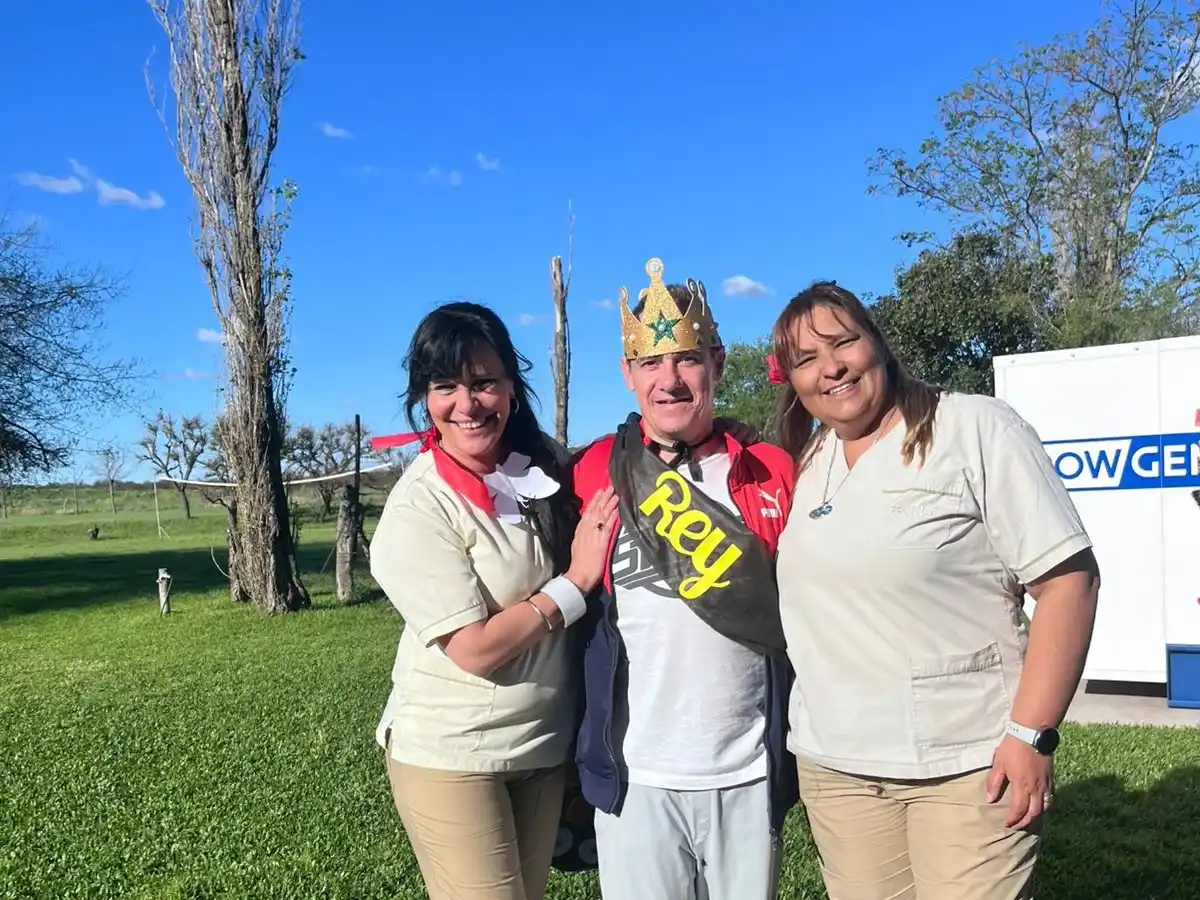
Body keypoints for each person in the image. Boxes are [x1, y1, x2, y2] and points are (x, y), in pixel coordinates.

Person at [768, 280, 1101, 900]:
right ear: (792, 380)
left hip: (968, 764)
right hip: (838, 771)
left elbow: (1068, 582)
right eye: (806, 359)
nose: (831, 367)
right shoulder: (809, 461)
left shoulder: (973, 427)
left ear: (877, 343)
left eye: (844, 342)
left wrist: (1032, 734)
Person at [369, 301, 620, 900]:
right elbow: (474, 650)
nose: (468, 403)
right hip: (453, 755)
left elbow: (627, 464)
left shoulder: (541, 462)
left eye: (484, 382)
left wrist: (716, 438)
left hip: (542, 748)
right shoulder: (420, 506)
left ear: (511, 386)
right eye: (446, 387)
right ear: (424, 398)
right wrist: (574, 584)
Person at [571, 257, 800, 900]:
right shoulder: (593, 469)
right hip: (636, 774)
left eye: (687, 360)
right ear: (628, 374)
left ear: (717, 365)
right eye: (650, 362)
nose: (668, 380)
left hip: (748, 772)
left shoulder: (772, 469)